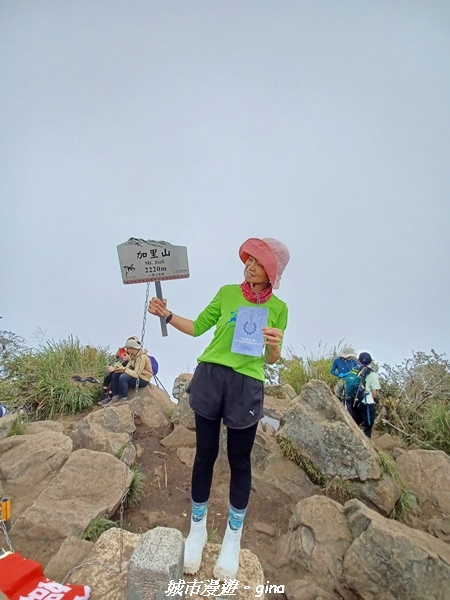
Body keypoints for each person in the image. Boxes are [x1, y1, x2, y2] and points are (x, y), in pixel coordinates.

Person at [147, 237, 289, 580]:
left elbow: (271, 359)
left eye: (258, 262)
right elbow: (198, 328)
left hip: (246, 383)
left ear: (272, 271)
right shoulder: (227, 292)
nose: (250, 266)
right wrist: (166, 313)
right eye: (249, 260)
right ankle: (197, 531)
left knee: (239, 461)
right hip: (211, 375)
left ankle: (232, 539)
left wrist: (275, 345)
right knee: (205, 455)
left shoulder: (280, 308)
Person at [103, 337, 153, 405]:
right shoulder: (134, 356)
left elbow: (136, 374)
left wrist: (124, 369)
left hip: (143, 379)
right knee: (116, 374)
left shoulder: (142, 357)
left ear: (132, 348)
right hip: (136, 376)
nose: (127, 350)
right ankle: (115, 396)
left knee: (124, 377)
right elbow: (127, 368)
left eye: (128, 348)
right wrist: (117, 369)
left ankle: (123, 397)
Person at [351, 352, 380, 438]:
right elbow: (374, 393)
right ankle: (367, 445)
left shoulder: (354, 370)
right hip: (367, 403)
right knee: (367, 426)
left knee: (355, 424)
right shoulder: (372, 374)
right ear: (370, 362)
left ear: (358, 360)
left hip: (355, 401)